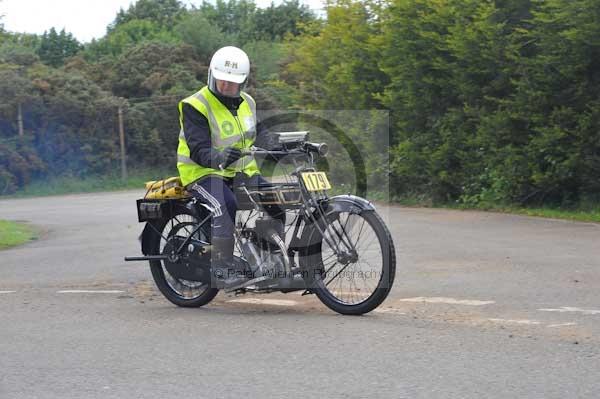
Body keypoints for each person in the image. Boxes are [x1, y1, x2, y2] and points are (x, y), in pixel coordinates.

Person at [176, 46, 284, 289]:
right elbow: (198, 149)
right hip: (202, 172)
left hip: (241, 172)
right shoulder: (196, 105)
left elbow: (260, 134)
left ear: (243, 83)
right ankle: (221, 267)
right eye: (221, 80)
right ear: (212, 75)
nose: (226, 86)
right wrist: (220, 156)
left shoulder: (248, 102)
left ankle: (273, 258)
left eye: (232, 83)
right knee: (225, 204)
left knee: (275, 200)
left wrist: (280, 145)